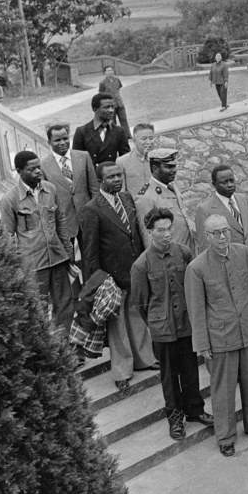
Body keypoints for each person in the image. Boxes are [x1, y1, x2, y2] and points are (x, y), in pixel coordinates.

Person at [186, 215, 248, 457]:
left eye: (226, 231)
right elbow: (196, 310)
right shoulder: (196, 268)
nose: (223, 237)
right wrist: (202, 344)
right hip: (220, 339)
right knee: (223, 390)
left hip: (247, 332)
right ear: (206, 236)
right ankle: (225, 437)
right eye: (216, 233)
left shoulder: (243, 253)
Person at [129, 207, 213, 440]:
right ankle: (175, 419)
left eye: (169, 229)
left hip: (186, 325)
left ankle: (196, 410)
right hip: (162, 331)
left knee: (190, 369)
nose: (167, 234)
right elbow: (140, 304)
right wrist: (158, 323)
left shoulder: (184, 253)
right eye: (161, 230)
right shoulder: (141, 265)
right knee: (169, 376)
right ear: (150, 232)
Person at [80, 163, 157, 390]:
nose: (117, 179)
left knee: (136, 317)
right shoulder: (91, 209)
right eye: (111, 177)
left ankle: (145, 359)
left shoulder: (126, 198)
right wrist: (97, 281)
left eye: (119, 175)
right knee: (117, 326)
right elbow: (90, 251)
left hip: (133, 271)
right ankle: (122, 371)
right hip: (111, 277)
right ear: (100, 181)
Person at [0, 151, 74, 332]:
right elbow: (7, 237)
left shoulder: (50, 189)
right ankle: (47, 354)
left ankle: (66, 352)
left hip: (57, 259)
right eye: (31, 169)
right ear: (19, 171)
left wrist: (68, 252)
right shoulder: (10, 200)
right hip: (33, 265)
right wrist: (15, 268)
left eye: (38, 167)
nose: (38, 172)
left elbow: (60, 221)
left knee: (65, 306)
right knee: (37, 309)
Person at [39, 122, 98, 254]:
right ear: (49, 142)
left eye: (65, 138)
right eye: (57, 140)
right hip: (64, 222)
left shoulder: (83, 156)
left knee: (91, 257)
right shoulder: (43, 165)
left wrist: (96, 213)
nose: (62, 142)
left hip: (86, 218)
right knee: (68, 260)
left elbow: (94, 188)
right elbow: (46, 199)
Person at [134, 148, 195, 253]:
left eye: (174, 166)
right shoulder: (146, 197)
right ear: (155, 168)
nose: (174, 170)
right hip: (172, 257)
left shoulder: (171, 186)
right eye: (168, 167)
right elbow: (149, 238)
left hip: (188, 251)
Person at [194, 164, 248, 253]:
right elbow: (205, 246)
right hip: (230, 261)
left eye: (232, 181)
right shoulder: (205, 210)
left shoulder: (243, 199)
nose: (230, 185)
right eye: (224, 182)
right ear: (214, 184)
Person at [73, 93, 130, 167]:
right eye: (106, 107)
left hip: (112, 175)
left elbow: (126, 159)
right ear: (95, 109)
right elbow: (77, 161)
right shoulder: (82, 132)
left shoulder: (119, 131)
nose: (111, 110)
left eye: (112, 107)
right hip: (92, 176)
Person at [117, 123, 158, 197]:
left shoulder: (161, 158)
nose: (149, 142)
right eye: (144, 138)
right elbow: (122, 192)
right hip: (136, 206)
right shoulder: (122, 162)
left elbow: (172, 187)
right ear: (134, 140)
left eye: (151, 138)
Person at [98, 64, 130, 134]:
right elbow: (101, 94)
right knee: (112, 122)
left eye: (111, 70)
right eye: (108, 71)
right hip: (110, 106)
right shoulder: (102, 83)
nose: (110, 72)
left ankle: (127, 135)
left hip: (120, 103)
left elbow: (118, 89)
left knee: (124, 120)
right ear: (105, 73)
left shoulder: (117, 80)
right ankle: (114, 137)